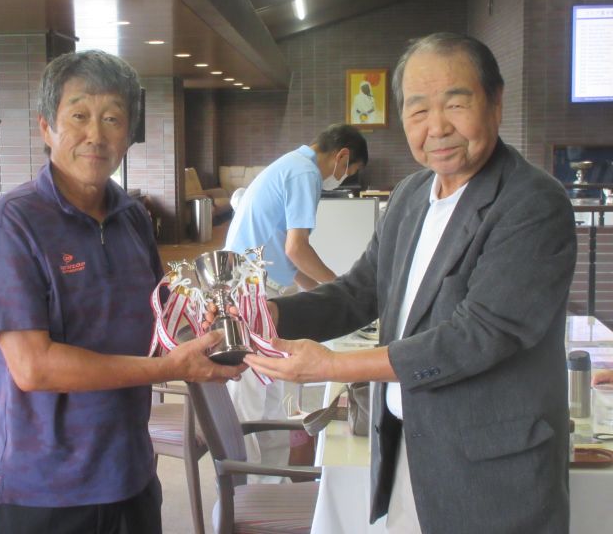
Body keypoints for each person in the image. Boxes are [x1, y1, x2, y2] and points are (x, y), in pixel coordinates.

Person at [243, 33, 577, 533]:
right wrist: (270, 315)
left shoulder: (532, 203)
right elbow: (360, 291)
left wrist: (334, 365)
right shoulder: (411, 195)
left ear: (496, 102)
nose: (437, 126)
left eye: (456, 104)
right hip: (407, 449)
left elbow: (478, 336)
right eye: (418, 110)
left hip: (492, 476)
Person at [0, 49, 243, 534]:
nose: (95, 135)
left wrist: (218, 336)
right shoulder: (9, 223)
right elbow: (34, 367)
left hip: (129, 472)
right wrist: (172, 368)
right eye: (79, 116)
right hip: (41, 487)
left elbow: (160, 323)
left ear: (129, 133)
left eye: (112, 118)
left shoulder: (131, 216)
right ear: (46, 127)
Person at [224, 124, 367, 480]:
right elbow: (296, 249)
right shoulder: (306, 173)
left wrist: (326, 297)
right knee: (253, 399)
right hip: (252, 292)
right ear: (342, 156)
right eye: (349, 171)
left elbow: (291, 263)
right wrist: (346, 290)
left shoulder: (290, 164)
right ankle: (247, 489)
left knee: (274, 395)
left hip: (253, 286)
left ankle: (272, 481)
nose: (344, 178)